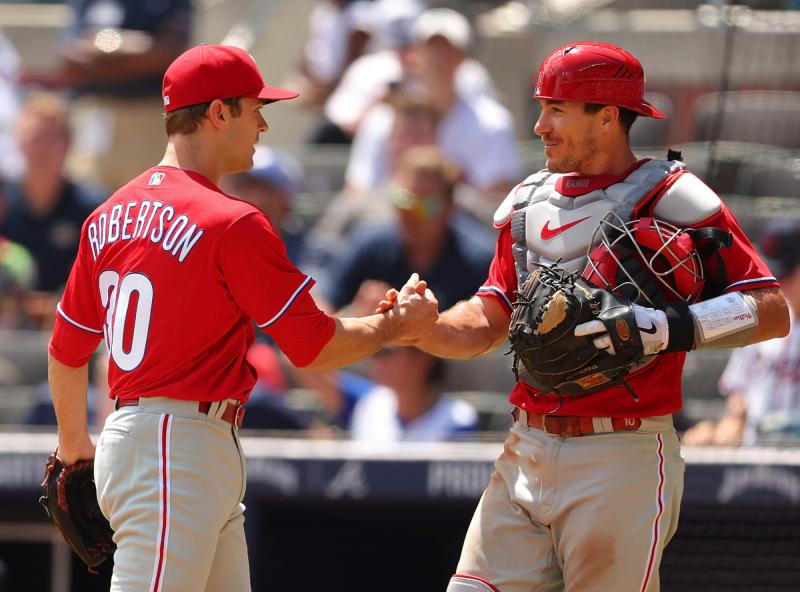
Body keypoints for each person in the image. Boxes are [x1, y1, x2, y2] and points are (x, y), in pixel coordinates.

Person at [379, 42, 790, 591]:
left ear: (608, 116)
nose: (540, 126)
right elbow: (488, 315)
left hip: (620, 453)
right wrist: (426, 326)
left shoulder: (673, 198)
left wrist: (669, 327)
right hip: (525, 446)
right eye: (542, 106)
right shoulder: (527, 202)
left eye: (557, 109)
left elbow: (770, 310)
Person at [47, 44, 438, 592]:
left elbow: (66, 351)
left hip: (157, 439)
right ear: (217, 112)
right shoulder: (230, 221)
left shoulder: (106, 214)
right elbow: (314, 347)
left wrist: (75, 451)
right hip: (174, 446)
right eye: (254, 107)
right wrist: (395, 327)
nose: (262, 123)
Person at [344, 8, 521, 199]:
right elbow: (356, 191)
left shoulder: (492, 123)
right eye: (430, 48)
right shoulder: (382, 119)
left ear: (463, 57)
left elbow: (495, 199)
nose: (439, 57)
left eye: (448, 49)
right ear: (414, 55)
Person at [322, 145, 495, 313]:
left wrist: (402, 329)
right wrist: (358, 317)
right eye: (403, 201)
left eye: (423, 206)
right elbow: (324, 307)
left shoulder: (479, 261)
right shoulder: (370, 244)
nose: (409, 215)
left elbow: (487, 332)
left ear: (449, 208)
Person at [683, 223, 800, 446]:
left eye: (784, 275)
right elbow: (739, 400)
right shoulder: (765, 319)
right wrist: (722, 431)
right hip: (757, 456)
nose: (776, 285)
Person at [59, 0, 192, 190]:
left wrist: (103, 50)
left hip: (148, 116)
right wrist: (131, 50)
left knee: (149, 203)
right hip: (95, 113)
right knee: (89, 201)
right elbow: (70, 54)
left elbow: (170, 52)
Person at [350, 345, 479, 442]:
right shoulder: (369, 405)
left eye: (386, 351)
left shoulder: (459, 420)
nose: (375, 358)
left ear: (424, 355)